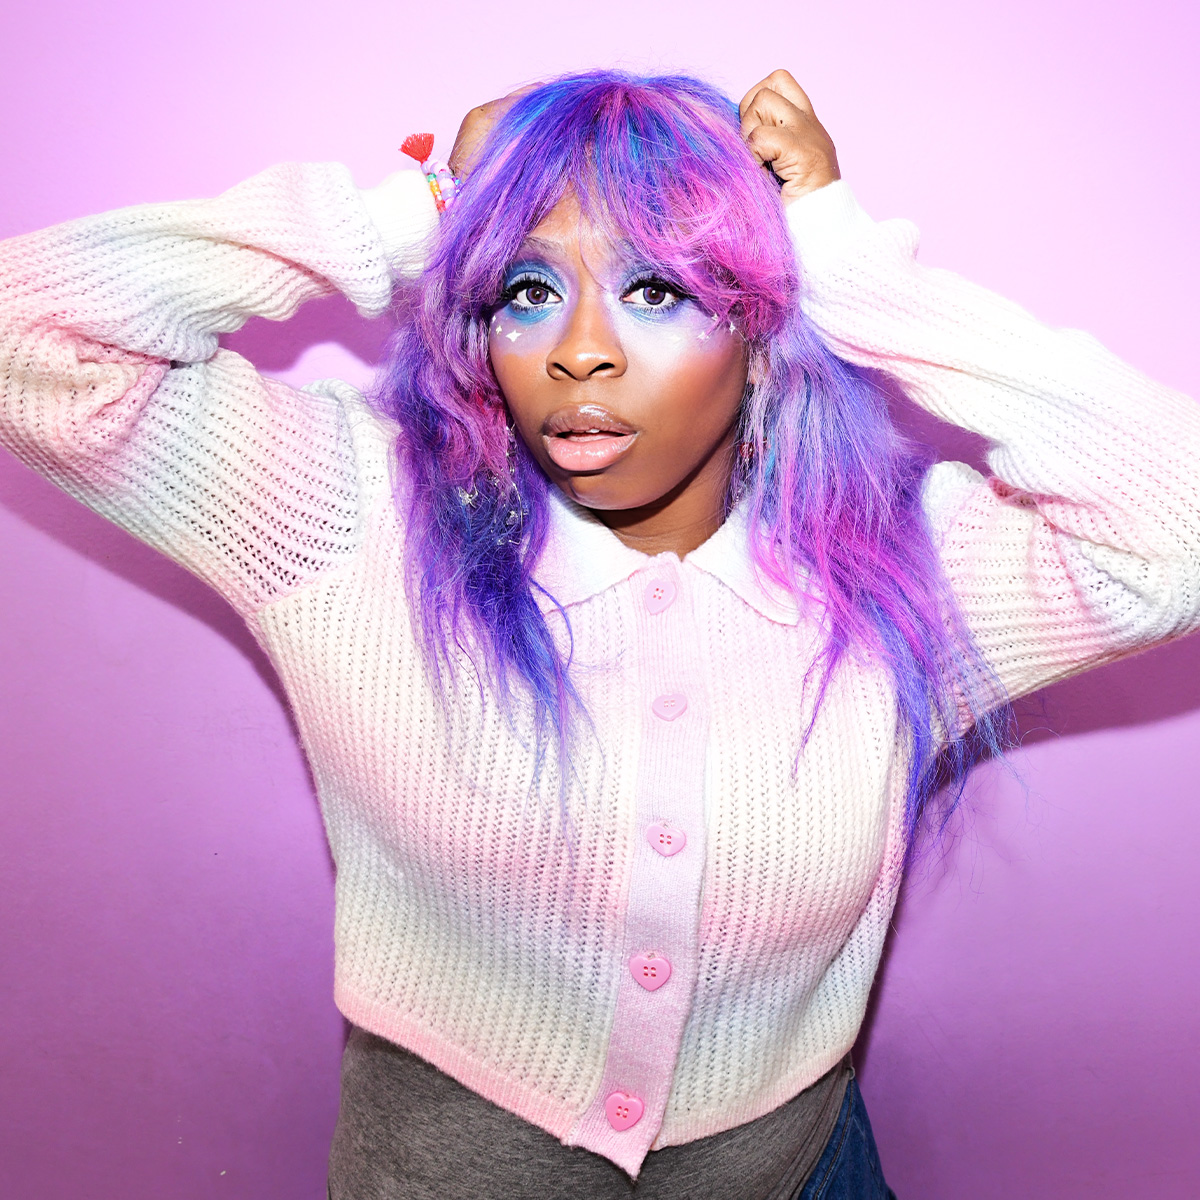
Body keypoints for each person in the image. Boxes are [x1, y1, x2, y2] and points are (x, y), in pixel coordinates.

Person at [2, 66, 1198, 1199]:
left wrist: (848, 268)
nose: (579, 350)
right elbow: (29, 342)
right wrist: (419, 212)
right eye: (526, 290)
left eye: (657, 290)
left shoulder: (897, 575)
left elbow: (1176, 532)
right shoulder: (350, 515)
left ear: (761, 334)